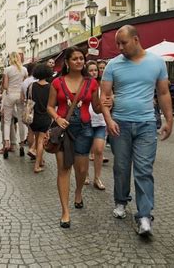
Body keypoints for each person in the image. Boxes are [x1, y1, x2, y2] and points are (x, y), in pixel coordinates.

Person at [101, 25, 173, 236]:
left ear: (136, 39)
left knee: (144, 169)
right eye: (117, 43)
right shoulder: (112, 65)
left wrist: (169, 120)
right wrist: (108, 119)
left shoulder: (157, 62)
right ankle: (121, 201)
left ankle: (144, 215)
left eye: (123, 43)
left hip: (146, 124)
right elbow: (103, 98)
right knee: (122, 167)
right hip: (120, 124)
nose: (119, 47)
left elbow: (163, 93)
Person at [47, 46, 102, 229]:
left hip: (85, 129)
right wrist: (57, 118)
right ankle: (65, 211)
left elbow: (96, 107)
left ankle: (78, 192)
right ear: (68, 62)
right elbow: (49, 106)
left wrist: (109, 103)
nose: (79, 61)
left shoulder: (91, 83)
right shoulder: (57, 83)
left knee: (82, 169)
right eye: (75, 59)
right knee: (64, 169)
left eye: (81, 58)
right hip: (63, 131)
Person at [1, 52, 28, 158]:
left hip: (10, 95)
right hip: (20, 95)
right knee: (21, 121)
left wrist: (8, 91)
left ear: (10, 59)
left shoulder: (7, 70)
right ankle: (21, 144)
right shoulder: (24, 69)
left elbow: (5, 86)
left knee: (7, 121)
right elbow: (25, 84)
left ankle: (7, 143)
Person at [85, 61, 107, 190]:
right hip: (86, 122)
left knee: (98, 150)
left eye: (95, 70)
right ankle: (86, 175)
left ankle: (97, 178)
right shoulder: (83, 85)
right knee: (85, 151)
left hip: (100, 122)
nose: (94, 72)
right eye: (91, 70)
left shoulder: (102, 85)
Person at [29, 63, 52, 173]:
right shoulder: (50, 87)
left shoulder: (32, 86)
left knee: (37, 138)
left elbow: (28, 98)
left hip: (33, 117)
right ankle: (37, 166)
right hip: (45, 117)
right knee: (40, 142)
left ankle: (40, 160)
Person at [21, 63, 38, 159]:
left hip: (29, 108)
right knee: (39, 133)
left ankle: (31, 149)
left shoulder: (25, 82)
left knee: (30, 131)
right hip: (39, 108)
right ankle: (35, 150)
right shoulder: (38, 80)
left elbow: (22, 97)